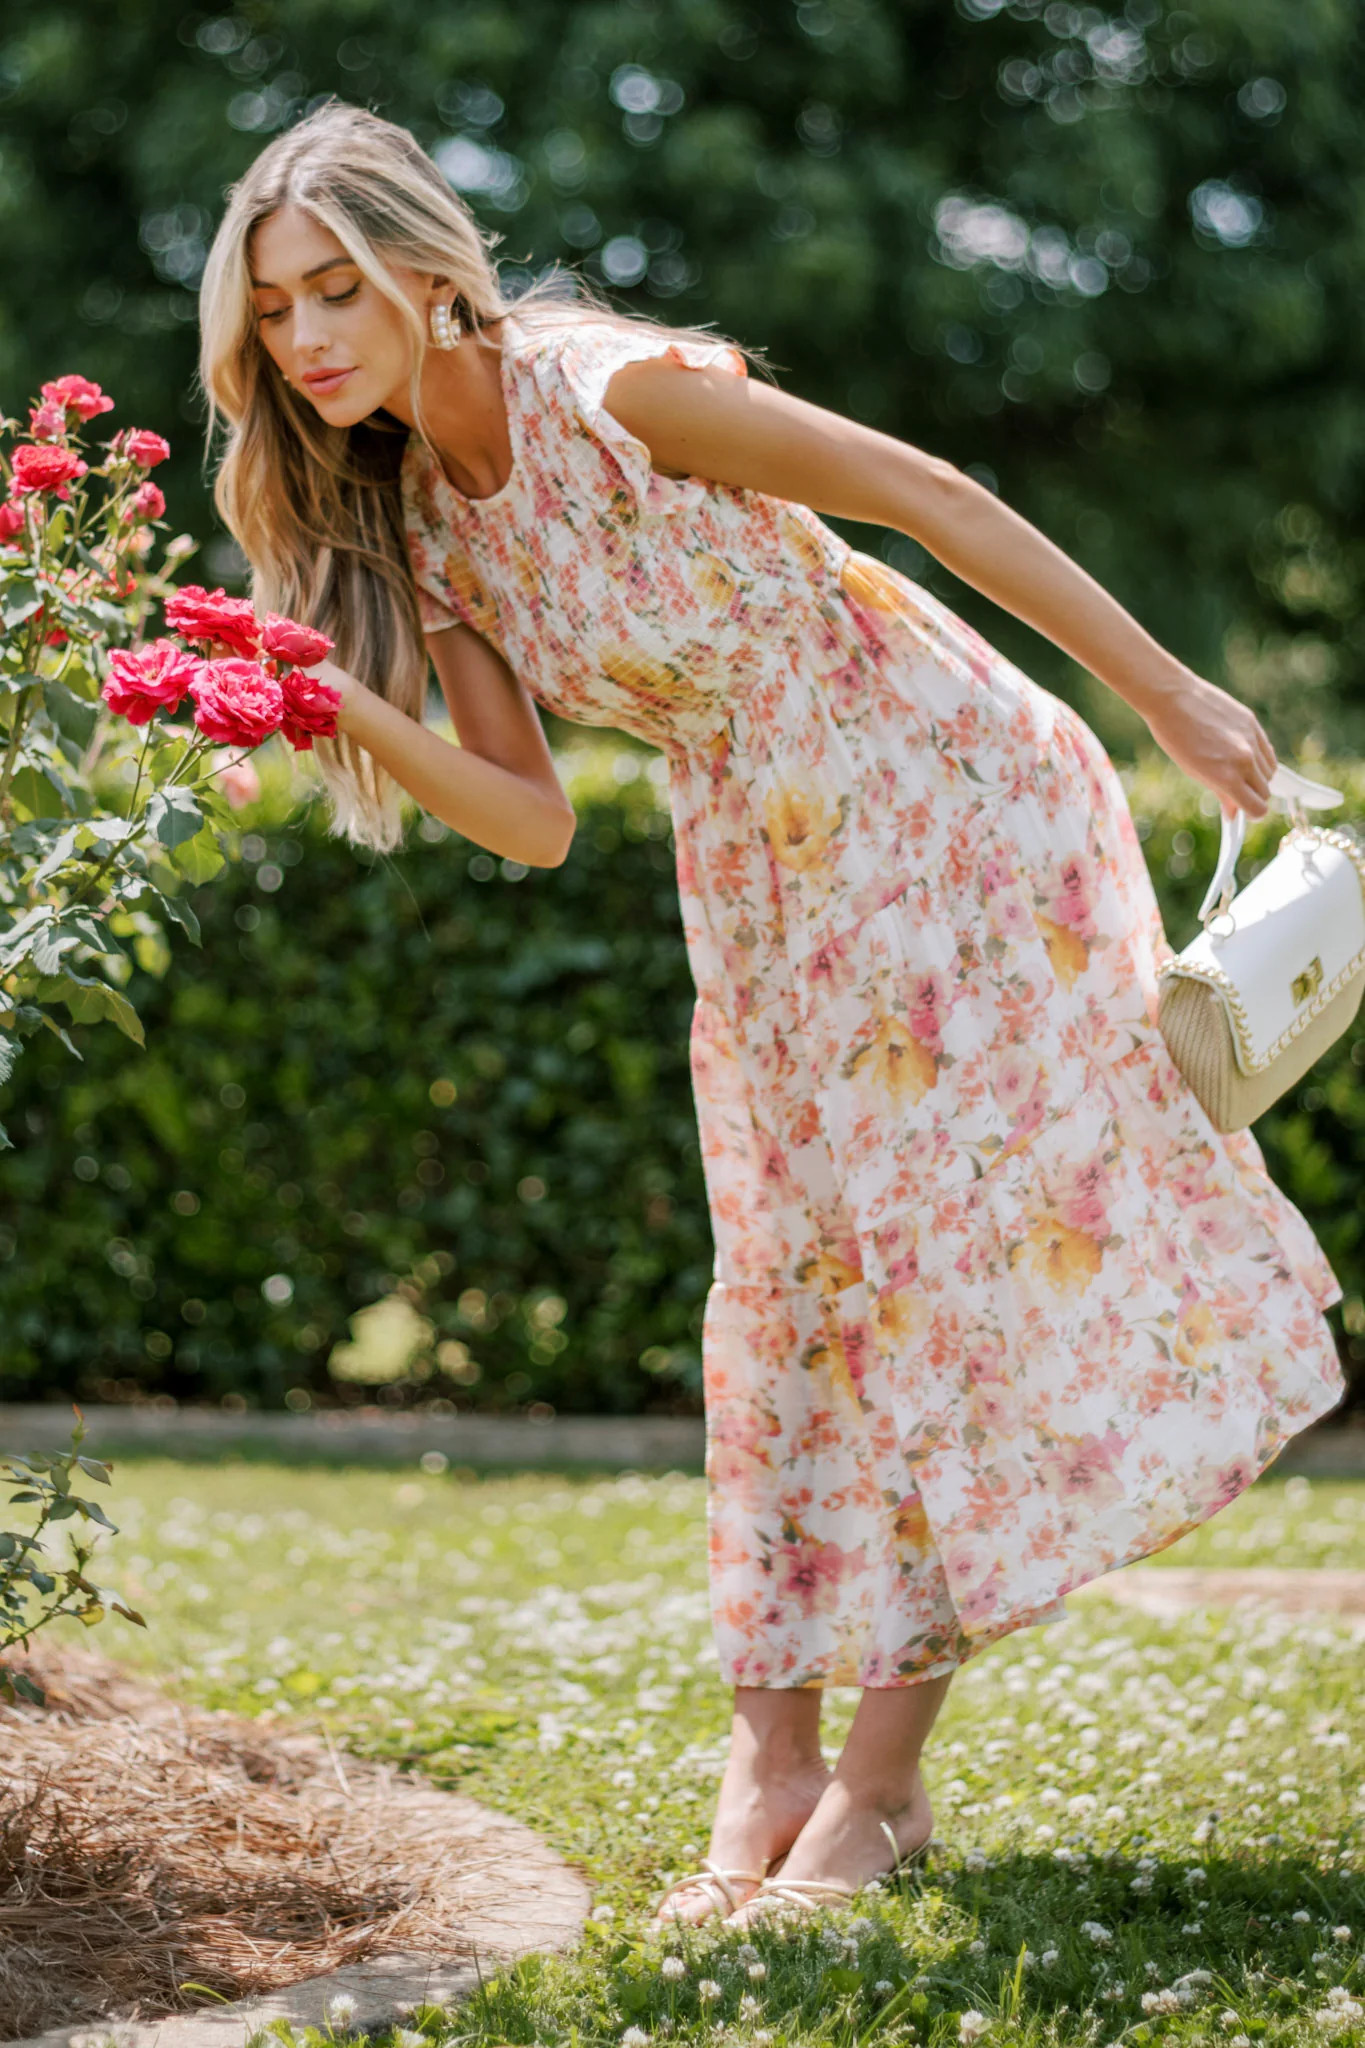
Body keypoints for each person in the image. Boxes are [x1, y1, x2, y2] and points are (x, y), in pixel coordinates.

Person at [198, 100, 1346, 1930]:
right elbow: (532, 819)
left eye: (336, 289)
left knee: (919, 1275)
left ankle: (875, 1788)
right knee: (794, 1282)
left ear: (433, 273)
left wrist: (1173, 697)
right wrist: (323, 703)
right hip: (762, 869)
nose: (310, 337)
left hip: (946, 801)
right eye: (273, 314)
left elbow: (925, 493)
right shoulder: (416, 514)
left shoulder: (617, 393)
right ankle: (775, 1754)